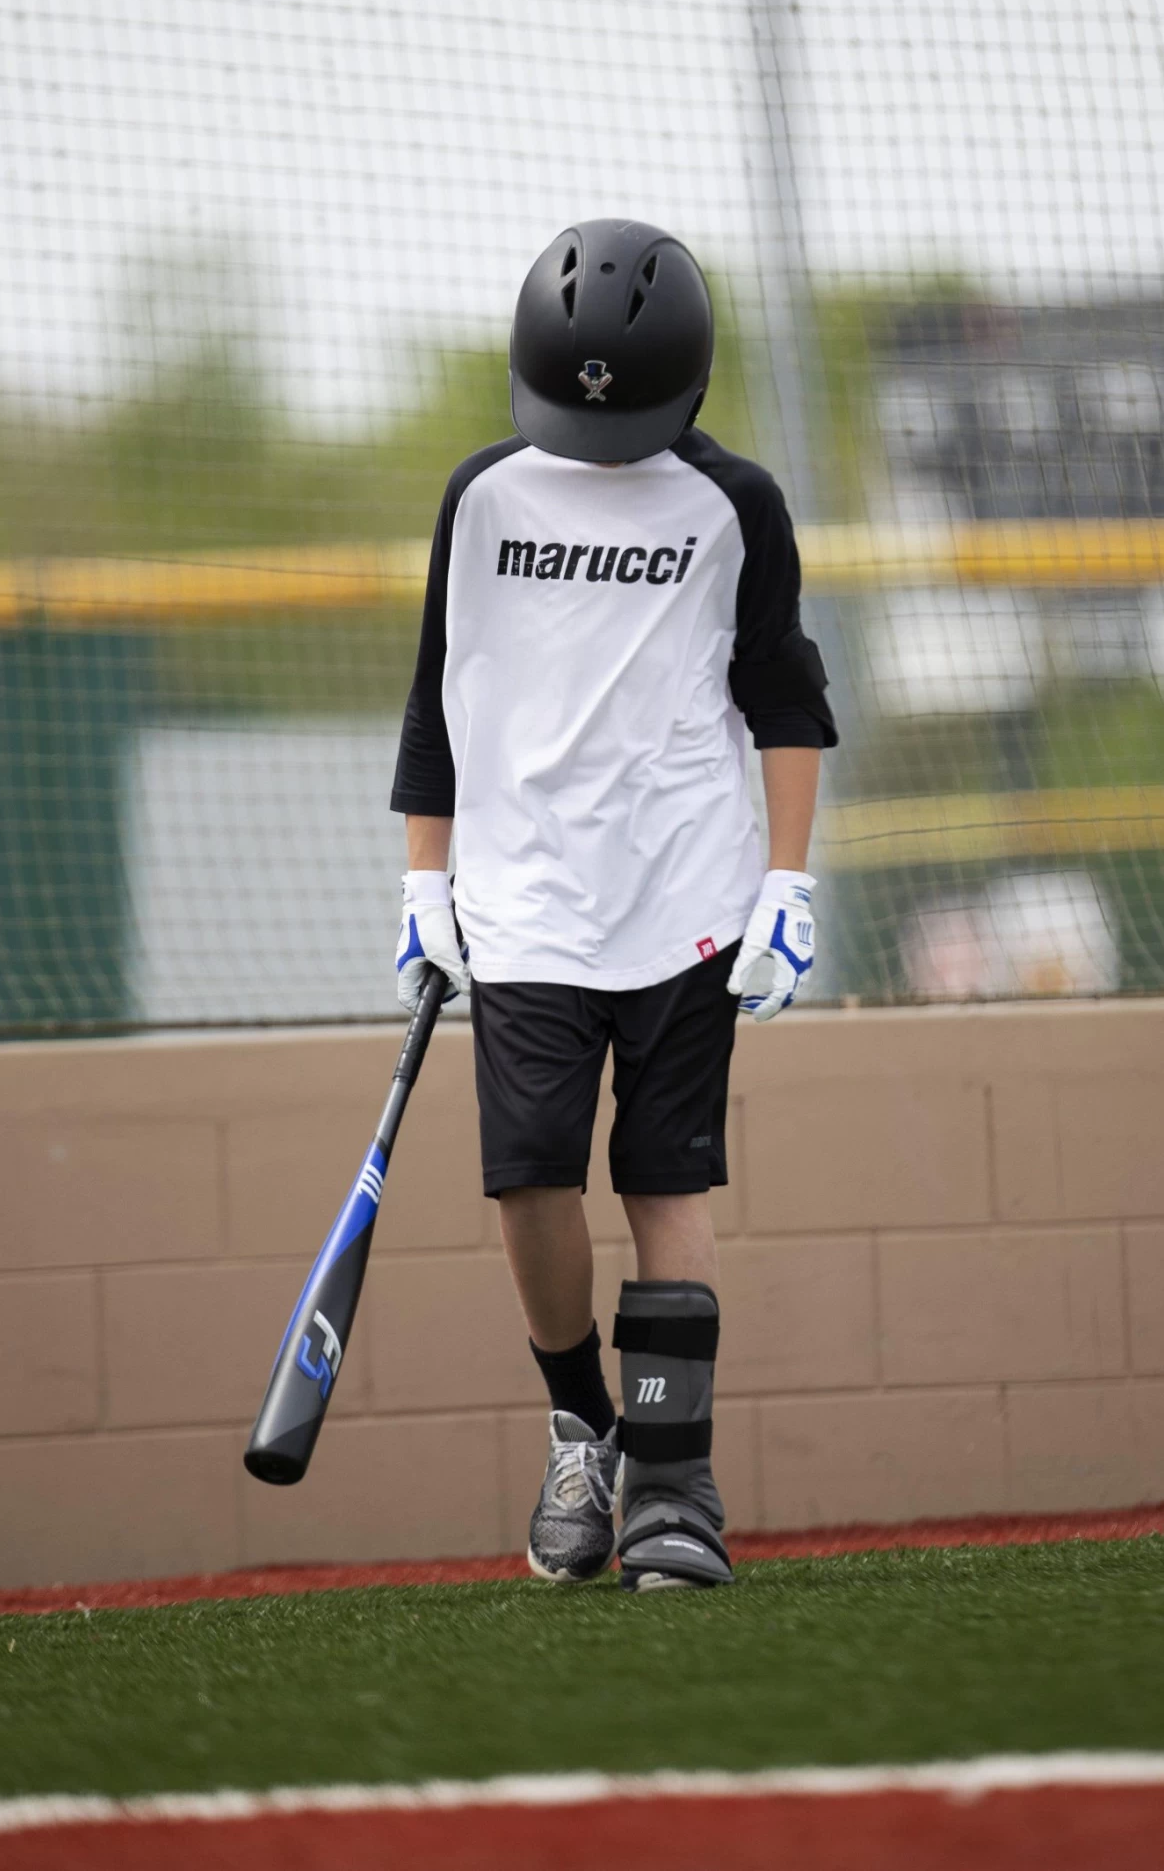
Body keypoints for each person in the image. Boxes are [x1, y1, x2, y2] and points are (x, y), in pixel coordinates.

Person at [390, 218, 837, 1590]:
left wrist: (786, 882)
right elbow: (438, 696)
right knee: (528, 1175)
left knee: (663, 1178)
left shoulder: (736, 506)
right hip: (522, 899)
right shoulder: (482, 498)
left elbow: (787, 700)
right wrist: (422, 880)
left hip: (686, 896)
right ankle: (582, 1418)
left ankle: (673, 1482)